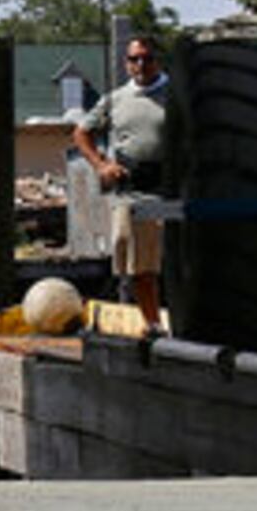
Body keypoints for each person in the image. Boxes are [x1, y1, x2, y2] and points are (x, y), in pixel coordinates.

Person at [66, 32, 179, 331]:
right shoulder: (115, 99)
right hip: (130, 192)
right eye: (133, 59)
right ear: (126, 63)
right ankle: (152, 323)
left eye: (147, 58)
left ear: (158, 60)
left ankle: (179, 322)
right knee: (135, 265)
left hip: (170, 189)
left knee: (171, 262)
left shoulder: (177, 96)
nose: (140, 64)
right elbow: (81, 133)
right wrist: (101, 164)